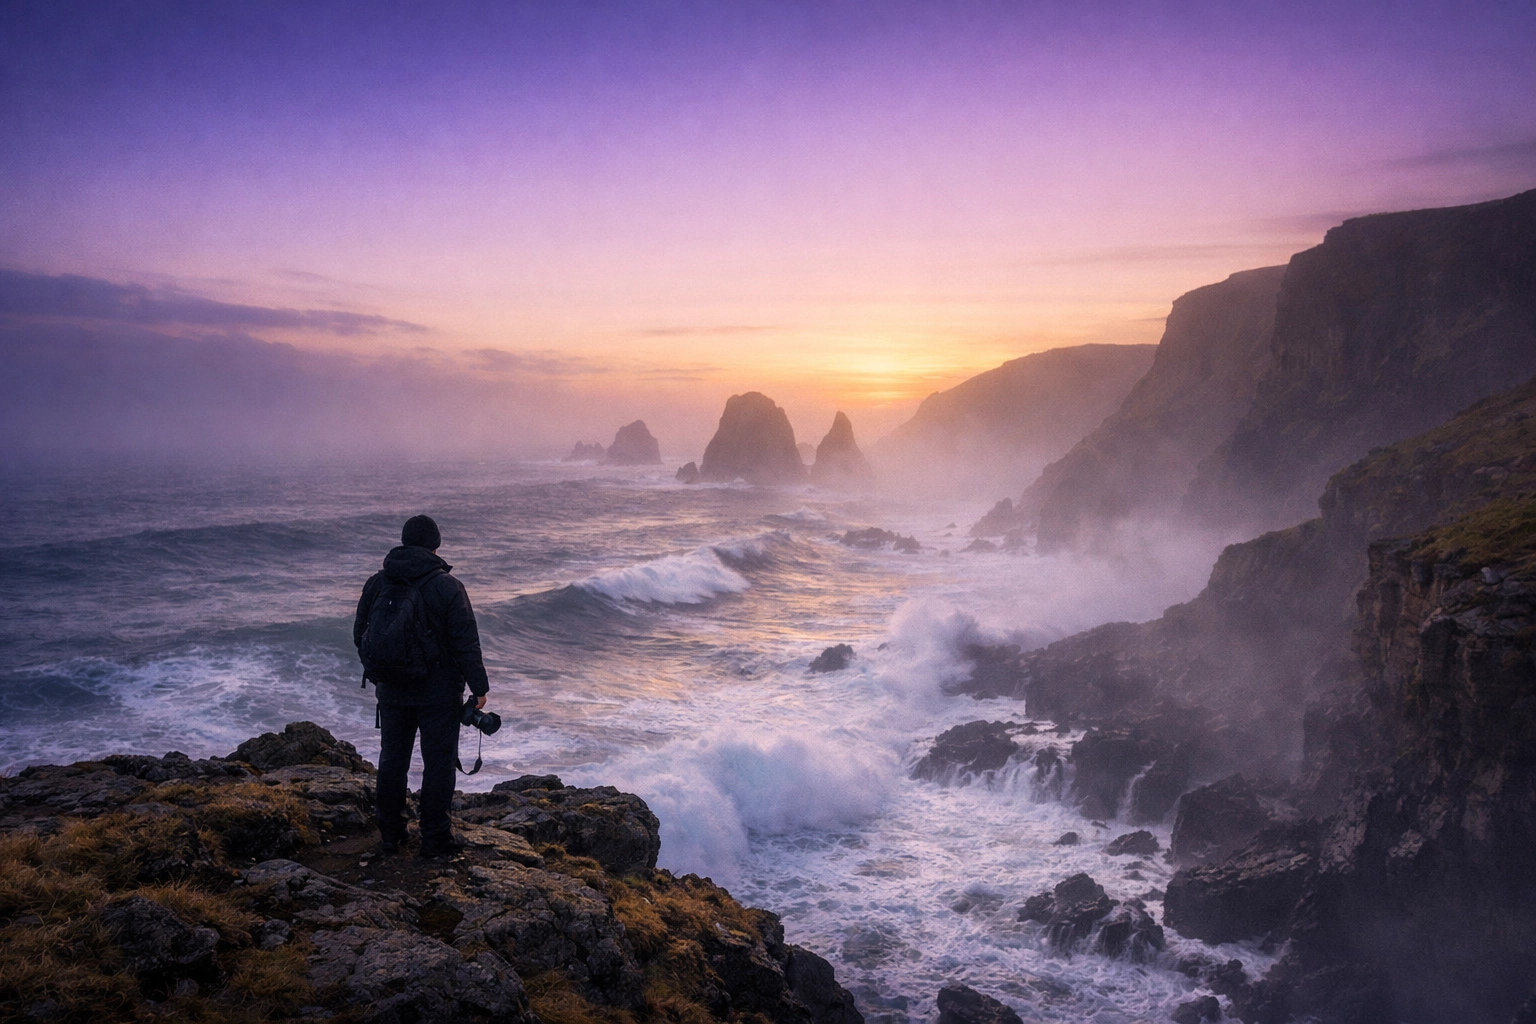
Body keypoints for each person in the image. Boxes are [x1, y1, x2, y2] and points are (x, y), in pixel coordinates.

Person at [353, 514, 489, 857]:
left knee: (393, 760)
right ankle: (435, 838)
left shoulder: (378, 582)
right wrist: (479, 687)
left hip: (391, 690)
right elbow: (465, 642)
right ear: (435, 545)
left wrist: (384, 672)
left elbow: (360, 634)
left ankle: (390, 834)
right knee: (439, 763)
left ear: (403, 541)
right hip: (438, 693)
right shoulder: (447, 586)